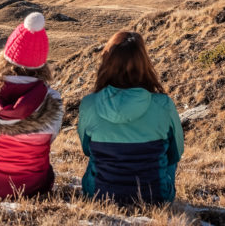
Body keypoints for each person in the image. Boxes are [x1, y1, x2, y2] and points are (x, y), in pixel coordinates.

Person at [77, 30, 184, 205]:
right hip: (155, 197)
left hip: (98, 195)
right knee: (167, 157)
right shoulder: (163, 104)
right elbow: (175, 153)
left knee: (96, 155)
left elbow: (86, 149)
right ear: (144, 63)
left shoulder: (90, 103)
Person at [0, 12, 64, 198]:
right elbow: (51, 139)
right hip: (33, 189)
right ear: (42, 63)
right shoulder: (52, 100)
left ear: (6, 55)